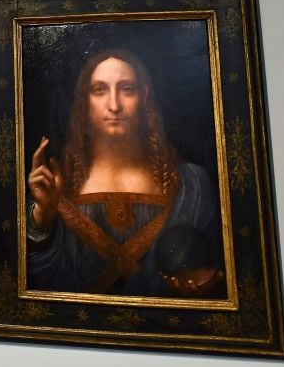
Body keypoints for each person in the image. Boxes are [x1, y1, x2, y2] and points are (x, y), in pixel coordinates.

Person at [26, 48, 223, 297]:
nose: (114, 105)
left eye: (127, 89)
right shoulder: (56, 184)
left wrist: (203, 286)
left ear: (144, 97)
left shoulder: (192, 185)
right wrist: (43, 214)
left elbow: (213, 268)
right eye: (99, 90)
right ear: (84, 102)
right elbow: (41, 279)